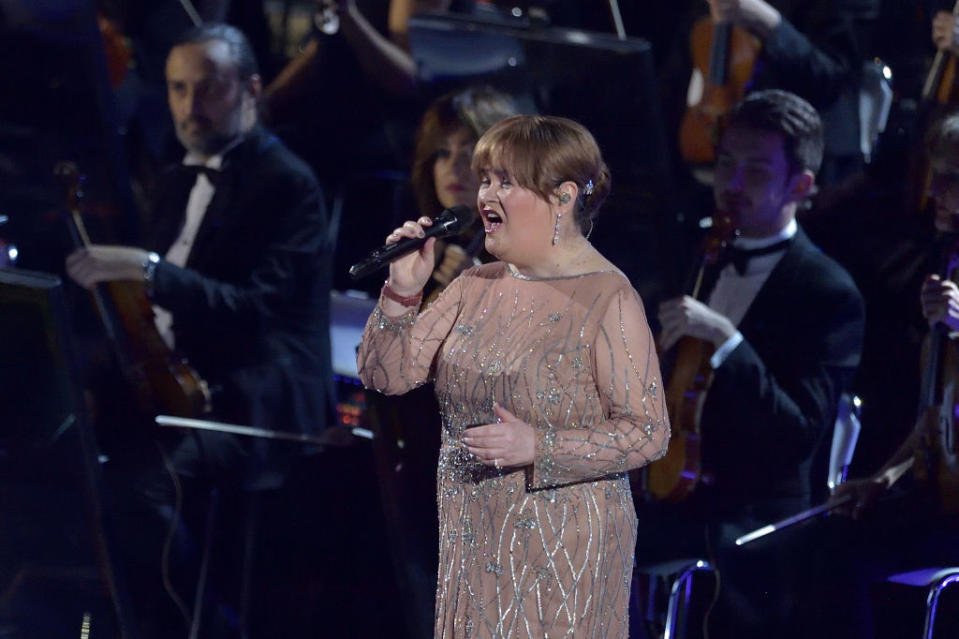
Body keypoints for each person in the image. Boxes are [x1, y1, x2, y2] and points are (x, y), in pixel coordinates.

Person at [64, 23, 333, 638]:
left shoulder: (289, 184)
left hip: (253, 396)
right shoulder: (175, 175)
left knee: (143, 491)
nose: (190, 107)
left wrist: (151, 270)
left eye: (207, 89)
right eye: (178, 90)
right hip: (178, 385)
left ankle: (210, 626)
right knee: (70, 459)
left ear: (251, 89)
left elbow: (256, 312)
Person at [357, 114, 670, 637]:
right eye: (486, 179)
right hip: (472, 537)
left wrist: (538, 446)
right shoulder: (473, 285)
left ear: (564, 197)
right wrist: (402, 291)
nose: (485, 195)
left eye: (506, 181)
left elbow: (648, 431)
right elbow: (385, 375)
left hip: (563, 548)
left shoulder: (608, 297)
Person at [636, 89, 865, 638]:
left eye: (756, 170)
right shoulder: (698, 257)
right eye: (726, 164)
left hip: (753, 524)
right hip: (671, 501)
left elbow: (800, 433)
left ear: (801, 186)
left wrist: (727, 341)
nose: (732, 185)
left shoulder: (827, 291)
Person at [819, 111, 959, 639]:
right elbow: (938, 416)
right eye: (936, 173)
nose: (936, 191)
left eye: (955, 178)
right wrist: (885, 476)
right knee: (832, 544)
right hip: (939, 491)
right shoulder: (947, 264)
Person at [410, 85, 518, 299]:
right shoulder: (423, 238)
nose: (453, 167)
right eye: (443, 152)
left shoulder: (524, 249)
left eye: (469, 154)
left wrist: (478, 290)